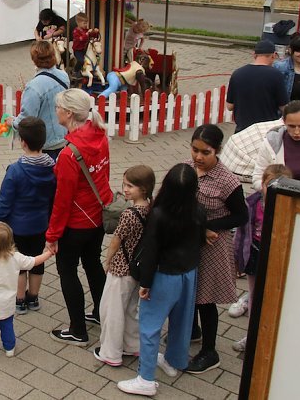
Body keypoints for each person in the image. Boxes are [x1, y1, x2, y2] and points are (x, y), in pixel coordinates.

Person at [116, 164, 206, 397]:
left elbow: (151, 251)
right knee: (182, 320)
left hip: (163, 275)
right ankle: (174, 360)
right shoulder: (198, 209)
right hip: (189, 273)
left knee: (150, 327)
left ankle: (146, 378)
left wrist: (145, 284)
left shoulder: (160, 213)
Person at [46, 89, 112, 345]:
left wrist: (52, 235)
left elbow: (62, 202)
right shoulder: (101, 136)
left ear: (69, 113)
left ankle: (77, 330)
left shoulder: (68, 155)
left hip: (76, 223)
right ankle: (101, 312)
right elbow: (102, 175)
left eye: (58, 108)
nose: (56, 112)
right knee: (93, 264)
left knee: (67, 270)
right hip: (97, 216)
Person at [186, 124, 247, 374]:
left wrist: (207, 226)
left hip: (212, 246)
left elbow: (240, 216)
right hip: (188, 242)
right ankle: (191, 332)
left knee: (205, 299)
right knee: (188, 291)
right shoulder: (187, 169)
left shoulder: (228, 181)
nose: (198, 157)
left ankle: (209, 351)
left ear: (218, 151)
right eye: (195, 150)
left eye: (206, 152)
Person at [0, 117, 57, 314]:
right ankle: (33, 297)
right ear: (43, 142)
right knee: (37, 262)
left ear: (23, 143)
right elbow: (54, 198)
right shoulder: (53, 168)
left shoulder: (15, 171)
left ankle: (19, 300)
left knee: (18, 264)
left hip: (17, 227)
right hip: (40, 225)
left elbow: (5, 201)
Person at [95, 165, 155, 367]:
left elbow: (116, 241)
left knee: (111, 310)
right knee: (130, 309)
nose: (126, 189)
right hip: (139, 268)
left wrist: (107, 261)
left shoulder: (129, 214)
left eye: (130, 186)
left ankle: (110, 352)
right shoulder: (151, 208)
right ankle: (132, 345)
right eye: (125, 184)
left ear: (143, 189)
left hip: (121, 267)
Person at [0, 222, 53, 361]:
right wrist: (49, 253)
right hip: (7, 304)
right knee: (7, 326)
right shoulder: (15, 257)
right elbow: (34, 261)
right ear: (10, 241)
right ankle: (9, 348)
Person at [230, 164, 292, 351]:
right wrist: (237, 259)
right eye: (268, 185)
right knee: (255, 298)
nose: (272, 190)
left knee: (274, 300)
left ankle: (271, 339)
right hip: (255, 256)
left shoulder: (289, 208)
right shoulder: (252, 203)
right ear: (262, 184)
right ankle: (251, 337)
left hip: (277, 259)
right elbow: (240, 235)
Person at [6, 41, 69, 159]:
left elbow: (26, 120)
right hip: (64, 138)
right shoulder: (63, 76)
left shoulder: (33, 87)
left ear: (34, 60)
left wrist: (12, 122)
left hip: (45, 144)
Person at [226, 40, 288, 133]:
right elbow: (284, 107)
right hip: (267, 131)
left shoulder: (237, 73)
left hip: (243, 130)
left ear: (254, 55)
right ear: (274, 55)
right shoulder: (276, 75)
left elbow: (230, 106)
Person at [71, 13, 92, 77]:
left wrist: (94, 32)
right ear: (78, 23)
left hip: (85, 49)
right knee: (81, 61)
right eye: (84, 23)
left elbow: (91, 35)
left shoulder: (85, 30)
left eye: (86, 23)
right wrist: (87, 33)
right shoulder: (76, 31)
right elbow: (81, 39)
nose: (86, 25)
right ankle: (75, 71)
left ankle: (84, 71)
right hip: (78, 50)